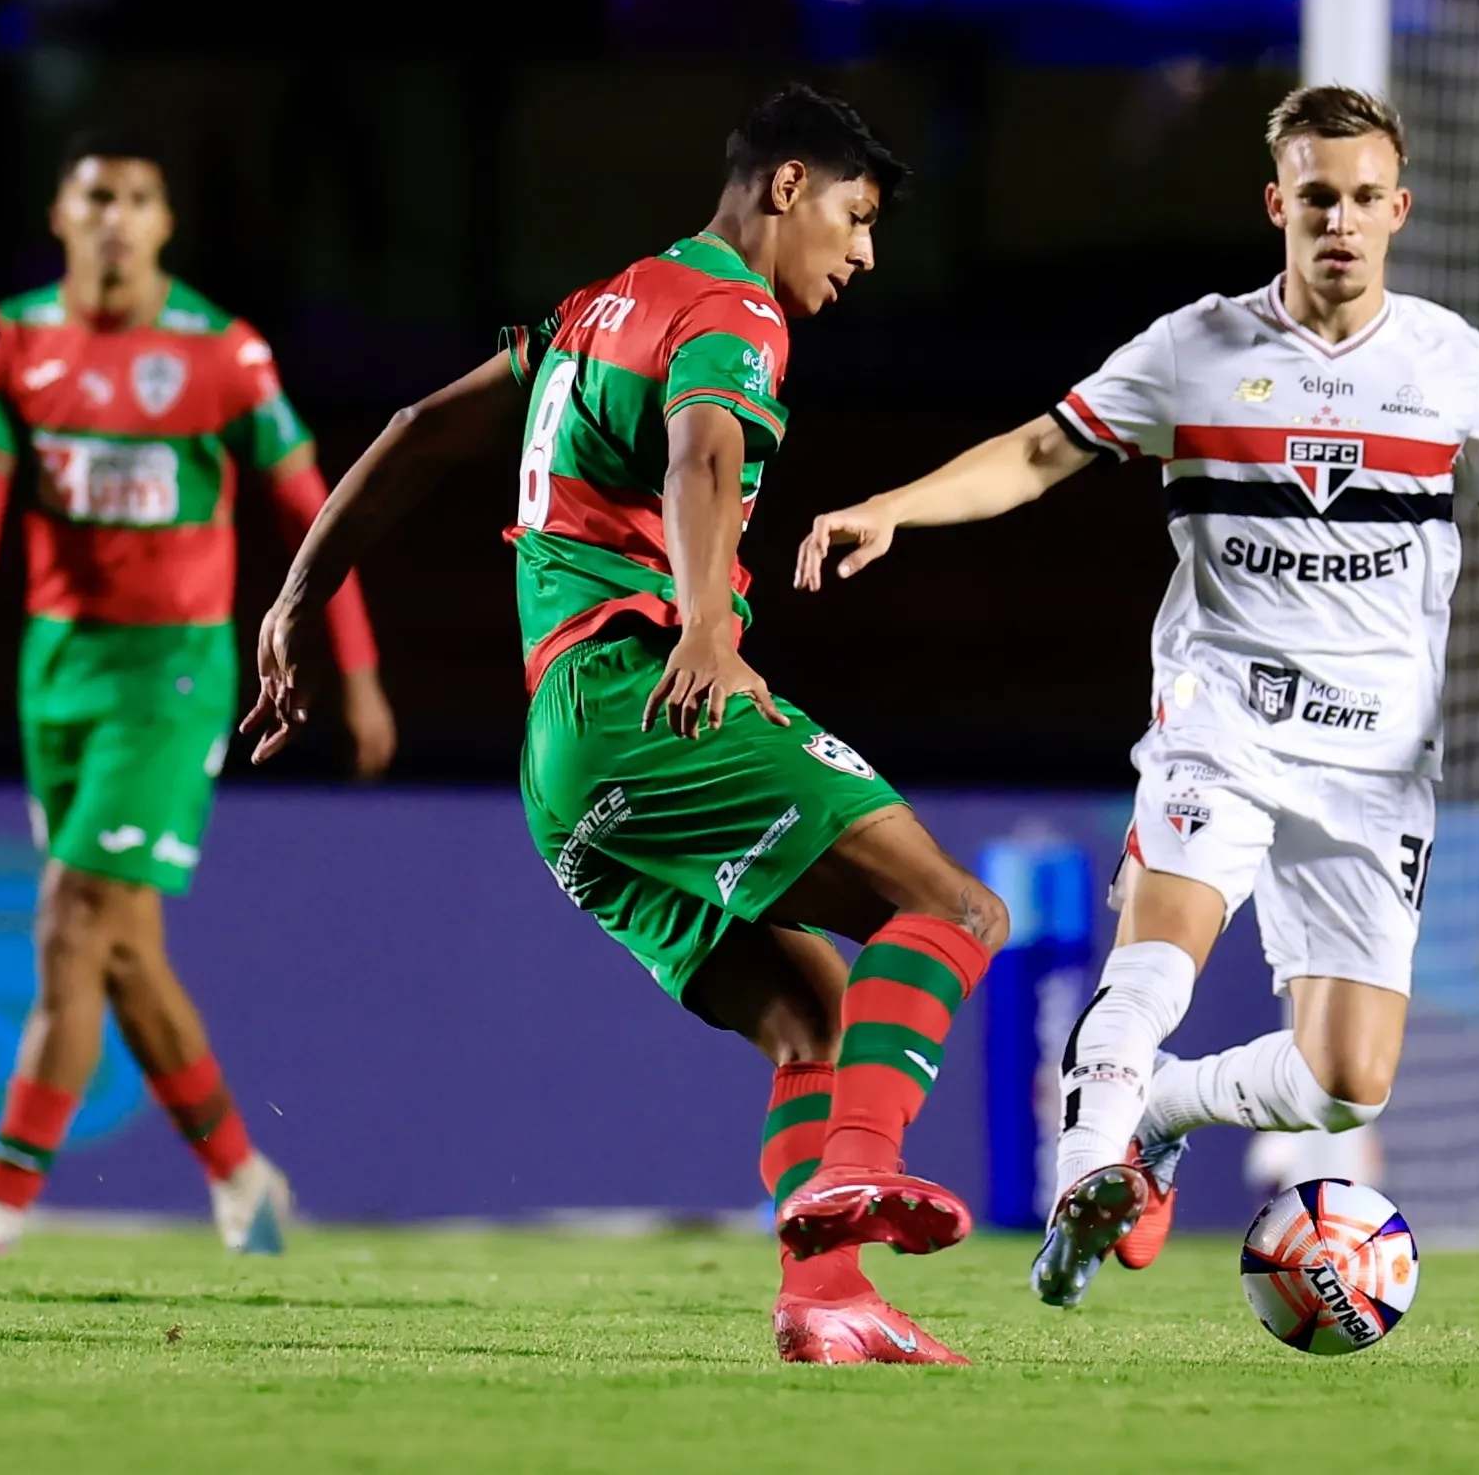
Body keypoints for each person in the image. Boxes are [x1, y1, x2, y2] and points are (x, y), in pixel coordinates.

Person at [795, 85, 1479, 1307]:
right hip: (1220, 722)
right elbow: (1037, 450)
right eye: (1316, 197)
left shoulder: (1449, 363)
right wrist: (891, 505)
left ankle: (1157, 1113)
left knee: (1345, 1082)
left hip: (1376, 762)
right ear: (1277, 204)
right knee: (1153, 964)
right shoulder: (1195, 349)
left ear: (1398, 211)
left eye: (1363, 199)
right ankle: (1082, 1183)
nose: (1339, 221)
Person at [244, 85, 1007, 1366]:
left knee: (809, 1017)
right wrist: (708, 624)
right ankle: (862, 1166)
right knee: (954, 912)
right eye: (855, 215)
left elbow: (417, 428)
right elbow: (703, 451)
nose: (864, 253)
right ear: (785, 188)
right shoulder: (731, 309)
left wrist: (294, 595)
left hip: (561, 759)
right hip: (648, 690)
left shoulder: (596, 308)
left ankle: (824, 1300)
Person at [0, 128, 396, 1255]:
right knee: (121, 943)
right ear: (60, 217)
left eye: (137, 199)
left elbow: (313, 511)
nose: (116, 219)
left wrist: (359, 674)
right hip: (55, 671)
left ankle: (0, 1197)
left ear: (165, 224)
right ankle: (243, 1179)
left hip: (171, 675)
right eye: (96, 199)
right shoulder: (13, 339)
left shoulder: (224, 355)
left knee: (71, 917)